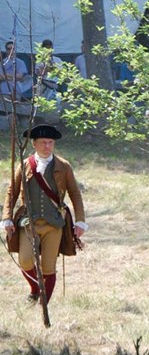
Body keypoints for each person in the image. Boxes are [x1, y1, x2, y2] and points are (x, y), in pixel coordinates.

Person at [2, 124, 87, 303]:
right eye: (43, 142)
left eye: (50, 142)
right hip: (28, 223)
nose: (47, 146)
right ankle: (35, 289)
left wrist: (80, 222)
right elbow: (12, 192)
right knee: (25, 261)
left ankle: (43, 304)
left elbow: (75, 194)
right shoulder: (25, 165)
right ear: (34, 144)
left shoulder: (63, 166)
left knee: (49, 267)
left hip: (54, 224)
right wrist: (7, 218)